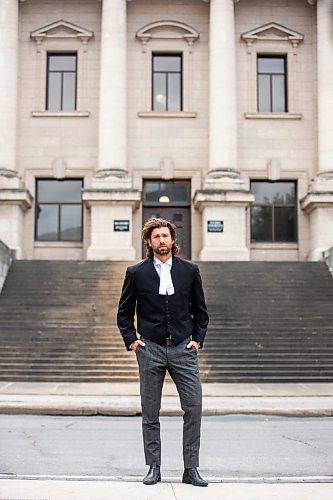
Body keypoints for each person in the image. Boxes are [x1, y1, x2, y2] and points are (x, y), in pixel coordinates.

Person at [117, 218, 209, 487]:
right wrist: (132, 340)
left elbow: (201, 312)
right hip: (150, 349)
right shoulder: (136, 272)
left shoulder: (190, 271)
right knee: (150, 411)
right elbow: (124, 313)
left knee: (194, 407)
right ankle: (154, 467)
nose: (161, 241)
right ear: (149, 241)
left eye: (165, 236)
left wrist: (197, 341)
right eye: (156, 236)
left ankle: (190, 469)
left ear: (172, 240)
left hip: (183, 347)